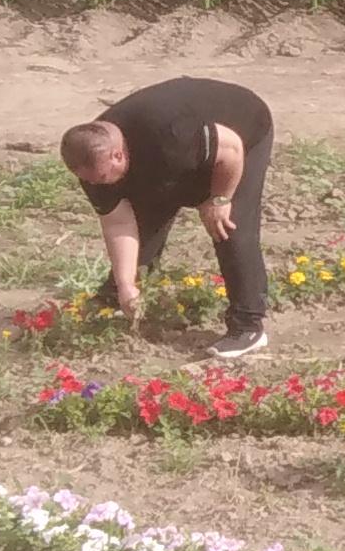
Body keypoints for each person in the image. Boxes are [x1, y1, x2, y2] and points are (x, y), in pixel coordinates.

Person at [60, 76, 277, 358]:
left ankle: (248, 326)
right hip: (171, 156)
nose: (98, 185)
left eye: (101, 178)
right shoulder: (91, 160)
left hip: (242, 131)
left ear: (116, 156)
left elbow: (232, 147)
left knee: (228, 226)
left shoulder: (171, 133)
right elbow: (119, 222)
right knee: (144, 215)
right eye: (88, 180)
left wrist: (219, 199)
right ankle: (119, 298)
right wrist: (126, 283)